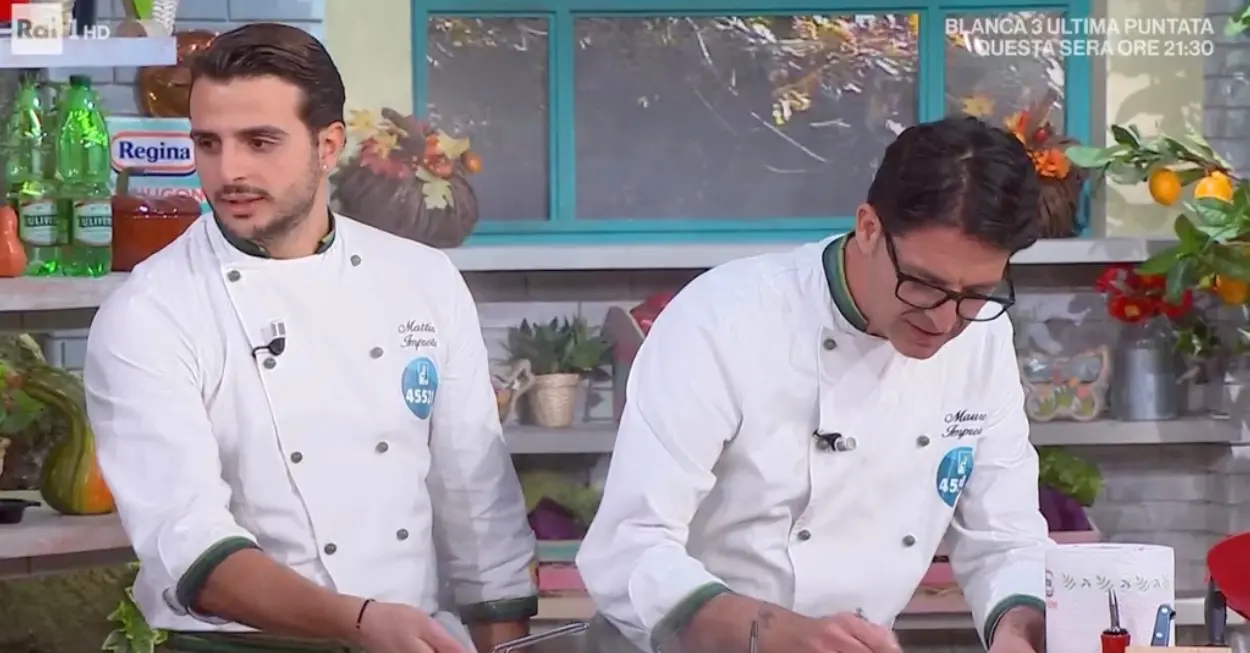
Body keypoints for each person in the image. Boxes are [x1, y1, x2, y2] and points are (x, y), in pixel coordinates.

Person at [84, 23, 537, 653]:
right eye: (209, 143)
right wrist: (359, 623)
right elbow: (189, 543)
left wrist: (502, 640)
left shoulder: (422, 280)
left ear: (328, 146)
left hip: (415, 638)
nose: (229, 171)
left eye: (259, 141)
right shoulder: (150, 313)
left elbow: (477, 504)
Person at [576, 117, 1049, 653]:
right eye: (923, 284)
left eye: (977, 293)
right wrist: (773, 631)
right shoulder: (726, 318)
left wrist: (1018, 630)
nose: (944, 321)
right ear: (868, 228)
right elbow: (629, 547)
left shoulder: (981, 337)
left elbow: (1003, 537)